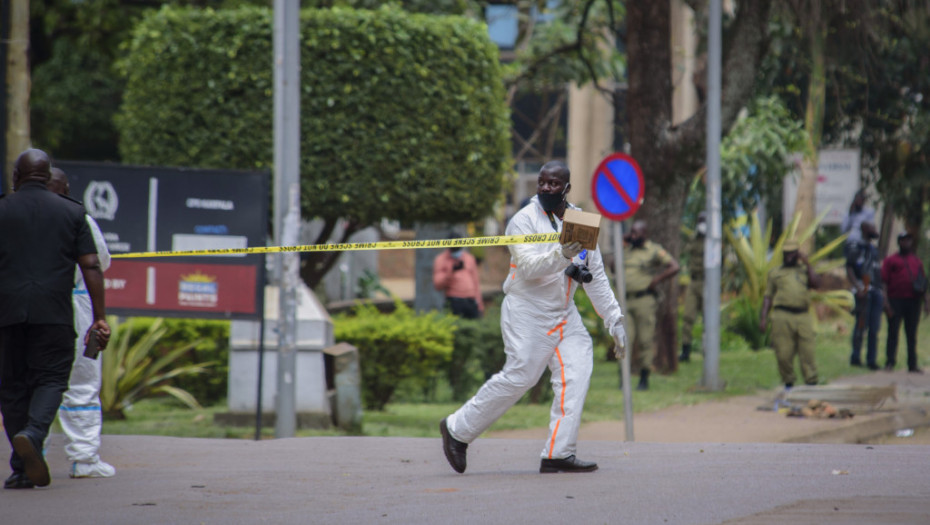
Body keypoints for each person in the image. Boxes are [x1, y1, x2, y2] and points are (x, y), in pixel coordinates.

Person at [439, 160, 626, 474]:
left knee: (577, 372)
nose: (546, 189)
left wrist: (614, 319)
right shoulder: (522, 221)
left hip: (565, 313)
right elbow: (528, 268)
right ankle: (457, 430)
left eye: (554, 184)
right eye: (542, 183)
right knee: (521, 376)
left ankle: (558, 453)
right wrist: (562, 254)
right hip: (527, 311)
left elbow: (595, 274)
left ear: (567, 187)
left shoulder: (580, 220)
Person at [0, 149, 110, 489]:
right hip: (55, 312)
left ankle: (21, 469)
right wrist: (100, 317)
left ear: (16, 176)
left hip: (7, 313)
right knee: (52, 379)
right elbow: (92, 264)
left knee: (13, 387)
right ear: (48, 177)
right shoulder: (73, 213)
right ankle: (33, 435)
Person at [47, 167, 116, 478]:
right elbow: (99, 261)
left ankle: (33, 453)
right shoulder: (79, 218)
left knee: (34, 383)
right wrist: (99, 318)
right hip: (76, 306)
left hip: (26, 309)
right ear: (65, 189)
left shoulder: (12, 214)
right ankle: (84, 459)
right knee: (82, 381)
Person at [623, 220, 680, 389]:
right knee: (624, 340)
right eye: (631, 232)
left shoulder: (654, 250)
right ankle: (623, 378)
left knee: (645, 339)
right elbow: (613, 265)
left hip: (644, 301)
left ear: (645, 233)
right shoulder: (626, 250)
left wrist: (657, 280)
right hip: (625, 301)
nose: (633, 236)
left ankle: (644, 377)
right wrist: (622, 242)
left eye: (636, 233)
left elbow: (674, 266)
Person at [759, 240, 820, 390]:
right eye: (786, 254)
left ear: (797, 254)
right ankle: (788, 383)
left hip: (802, 315)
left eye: (792, 253)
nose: (788, 256)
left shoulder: (804, 270)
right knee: (783, 353)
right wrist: (763, 317)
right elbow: (768, 296)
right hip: (782, 315)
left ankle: (811, 382)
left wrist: (808, 263)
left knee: (807, 352)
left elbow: (816, 284)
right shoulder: (775, 273)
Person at [880, 232, 929, 373]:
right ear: (899, 242)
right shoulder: (890, 261)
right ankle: (890, 362)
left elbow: (923, 283)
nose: (905, 243)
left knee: (912, 334)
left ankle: (912, 364)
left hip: (913, 301)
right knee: (893, 332)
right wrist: (886, 302)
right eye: (902, 240)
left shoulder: (916, 261)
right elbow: (884, 282)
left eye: (908, 240)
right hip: (895, 300)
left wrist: (926, 302)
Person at [846, 221, 883, 370]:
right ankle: (856, 356)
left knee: (875, 327)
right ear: (864, 229)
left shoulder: (874, 249)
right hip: (863, 290)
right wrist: (857, 287)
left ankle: (871, 359)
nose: (875, 230)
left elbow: (877, 271)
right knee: (861, 325)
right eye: (872, 227)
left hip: (875, 291)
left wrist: (881, 291)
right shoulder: (856, 247)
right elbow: (849, 268)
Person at [432, 239, 484, 319]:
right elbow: (438, 284)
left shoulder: (469, 258)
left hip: (471, 302)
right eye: (454, 248)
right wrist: (451, 272)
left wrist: (479, 304)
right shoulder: (441, 259)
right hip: (454, 301)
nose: (456, 250)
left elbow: (475, 282)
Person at [679, 212, 706, 363]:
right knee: (688, 317)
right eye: (700, 221)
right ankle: (686, 351)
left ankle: (708, 351)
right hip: (694, 281)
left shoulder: (713, 240)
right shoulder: (694, 239)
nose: (702, 224)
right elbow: (686, 251)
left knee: (708, 319)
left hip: (708, 283)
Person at [840, 190, 875, 258]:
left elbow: (870, 227)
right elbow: (844, 230)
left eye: (861, 200)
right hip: (851, 243)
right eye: (857, 200)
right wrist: (850, 215)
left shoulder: (869, 212)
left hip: (863, 243)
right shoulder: (848, 213)